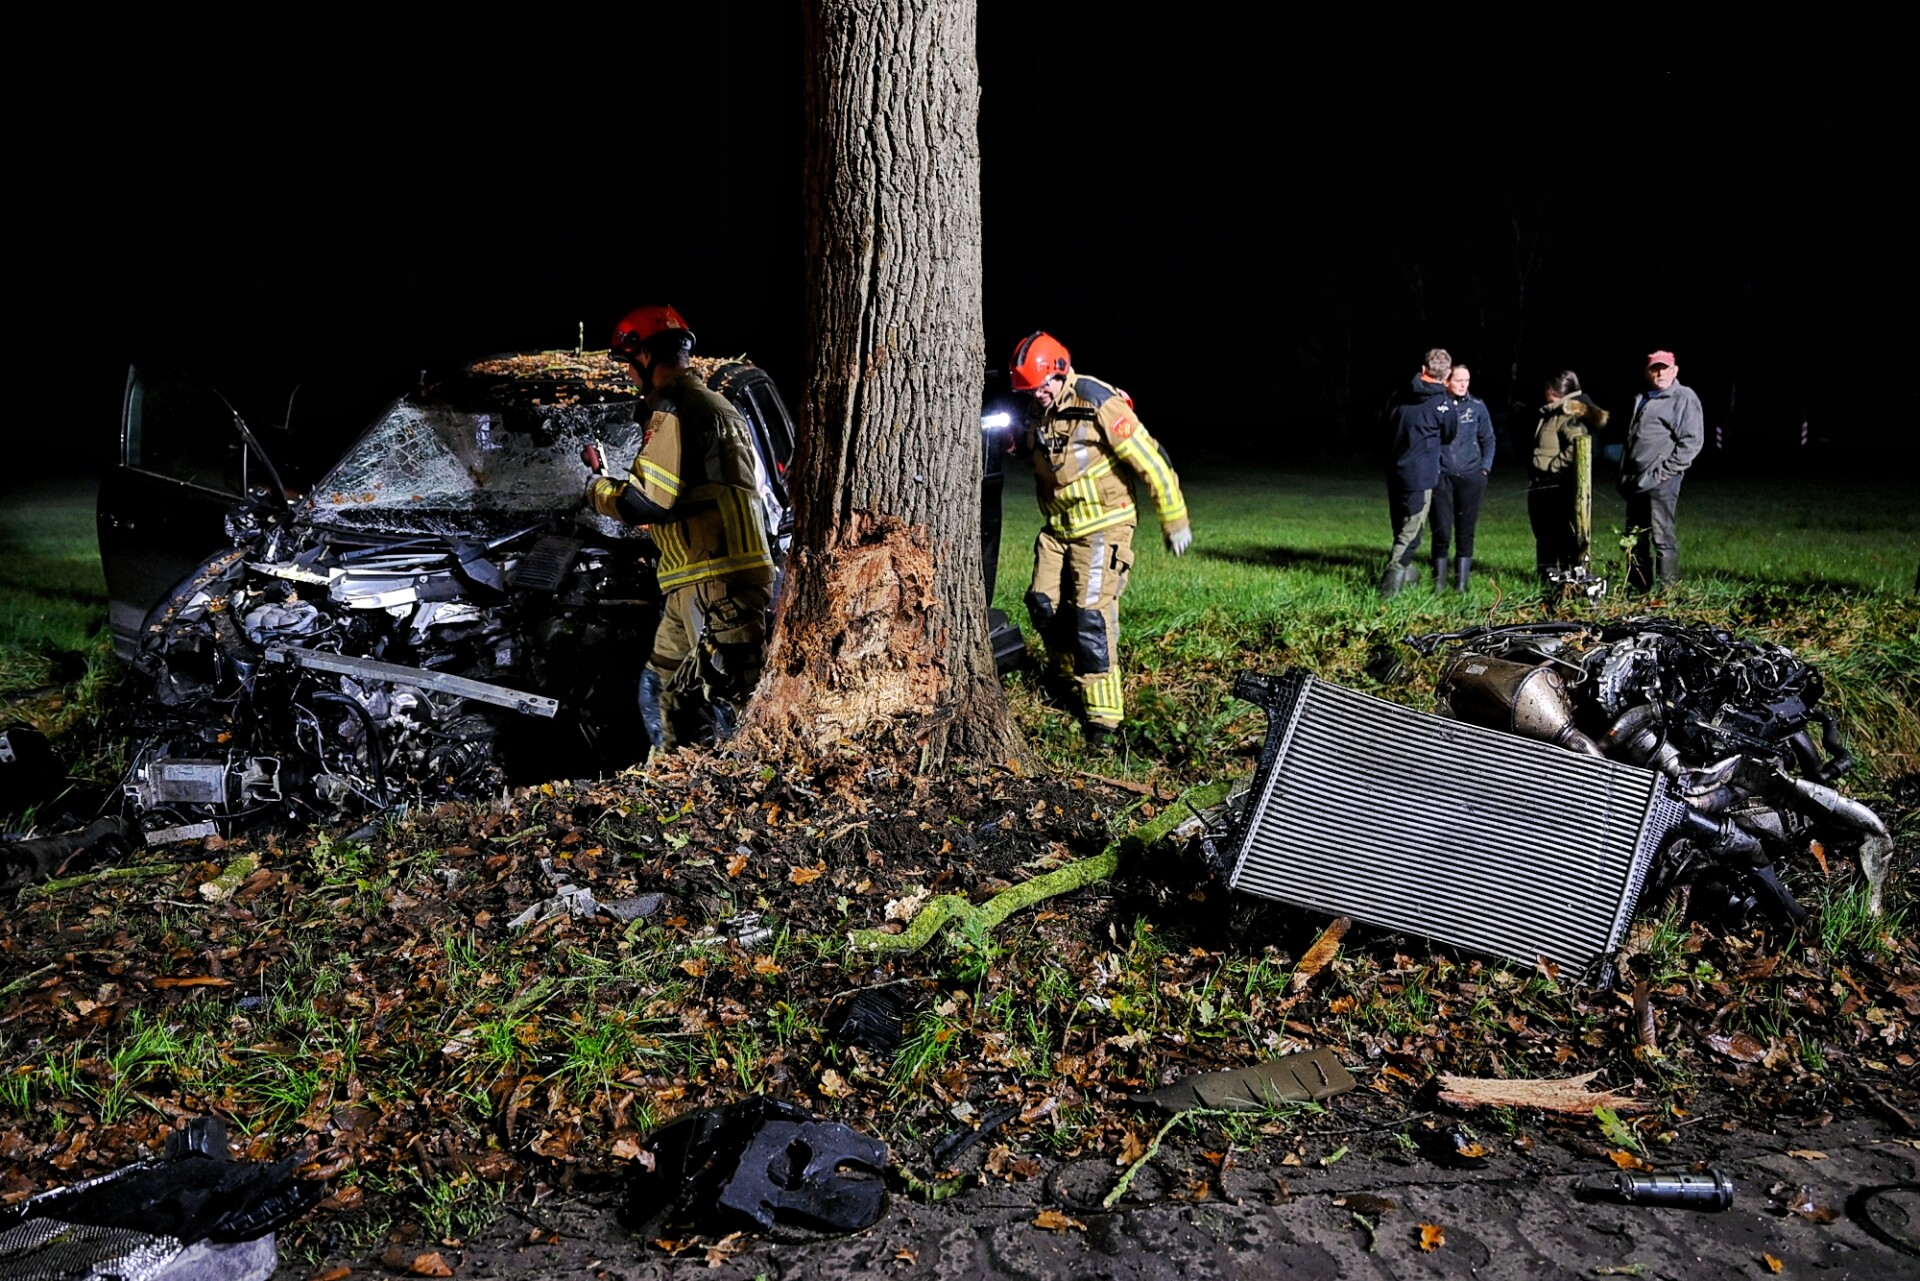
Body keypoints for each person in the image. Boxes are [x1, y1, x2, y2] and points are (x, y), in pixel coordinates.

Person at [585, 304, 776, 753]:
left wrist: (593, 489)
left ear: (644, 357)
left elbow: (645, 500)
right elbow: (683, 493)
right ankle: (666, 781)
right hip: (693, 580)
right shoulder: (709, 405)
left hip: (716, 583)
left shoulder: (678, 408)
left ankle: (747, 804)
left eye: (629, 365)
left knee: (737, 703)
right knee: (660, 684)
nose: (630, 376)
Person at [1008, 331, 1191, 746]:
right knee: (1042, 604)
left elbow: (1151, 459)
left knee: (1091, 617)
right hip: (1060, 528)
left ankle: (1103, 720)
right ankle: (1067, 674)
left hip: (1104, 525)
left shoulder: (1096, 399)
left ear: (1060, 372)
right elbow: (1047, 456)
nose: (1037, 395)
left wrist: (1174, 519)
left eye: (1043, 386)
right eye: (1030, 390)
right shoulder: (1039, 410)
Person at [1618, 349, 1704, 591]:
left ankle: (1668, 593)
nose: (1659, 373)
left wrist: (1665, 472)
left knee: (1662, 537)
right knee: (1635, 538)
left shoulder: (1683, 397)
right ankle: (1637, 590)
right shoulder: (1644, 398)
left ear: (1674, 370)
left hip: (1661, 480)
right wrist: (1624, 477)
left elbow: (1692, 442)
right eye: (1654, 369)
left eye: (1664, 368)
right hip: (1636, 480)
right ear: (1647, 373)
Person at [1378, 349, 1456, 596]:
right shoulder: (1443, 404)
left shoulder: (1399, 395)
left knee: (1399, 527)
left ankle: (1407, 576)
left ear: (1423, 369)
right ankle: (1388, 590)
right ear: (1448, 375)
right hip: (1420, 477)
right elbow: (1449, 434)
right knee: (1411, 533)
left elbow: (1384, 423)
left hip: (1395, 471)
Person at [1527, 370, 1608, 593]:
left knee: (1558, 533)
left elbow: (1579, 443)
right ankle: (1547, 577)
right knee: (1543, 533)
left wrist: (1553, 466)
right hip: (1541, 483)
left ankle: (1563, 579)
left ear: (1552, 391)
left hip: (1555, 484)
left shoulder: (1566, 415)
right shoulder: (1551, 413)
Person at [1432, 362, 1495, 592]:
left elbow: (1488, 439)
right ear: (1448, 380)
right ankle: (1438, 583)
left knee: (1465, 530)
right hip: (1442, 476)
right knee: (1441, 528)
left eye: (1466, 380)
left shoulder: (1477, 406)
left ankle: (1461, 583)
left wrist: (1484, 469)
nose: (1463, 384)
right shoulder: (1439, 405)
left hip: (1471, 477)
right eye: (1459, 380)